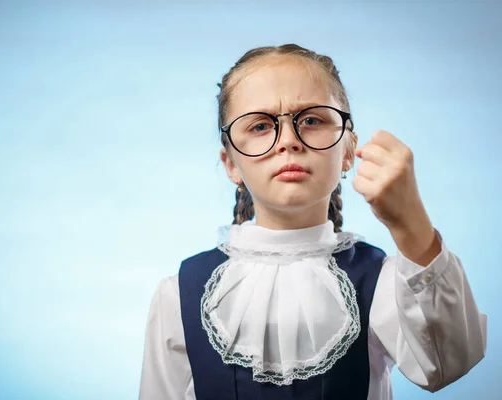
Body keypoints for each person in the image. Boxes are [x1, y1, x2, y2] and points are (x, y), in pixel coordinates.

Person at [138, 44, 487, 400]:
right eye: (260, 125)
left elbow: (446, 366)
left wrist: (412, 224)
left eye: (311, 120)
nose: (288, 141)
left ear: (348, 149)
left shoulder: (384, 281)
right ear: (231, 164)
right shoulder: (179, 294)